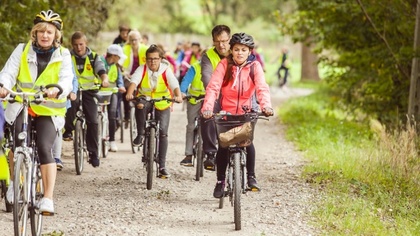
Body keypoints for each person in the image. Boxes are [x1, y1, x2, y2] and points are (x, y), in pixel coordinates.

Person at [1, 10, 73, 214]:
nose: (45, 35)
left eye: (49, 32)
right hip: (22, 107)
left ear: (56, 35)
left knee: (43, 147)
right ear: (35, 33)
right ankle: (16, 184)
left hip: (48, 111)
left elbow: (66, 79)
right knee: (16, 142)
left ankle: (48, 198)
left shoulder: (63, 54)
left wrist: (58, 89)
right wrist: (3, 86)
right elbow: (8, 72)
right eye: (41, 31)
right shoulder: (22, 50)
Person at [201, 32, 274, 198]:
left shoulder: (254, 67)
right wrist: (208, 107)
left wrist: (266, 106)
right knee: (224, 145)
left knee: (247, 142)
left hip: (246, 110)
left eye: (243, 49)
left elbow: (262, 87)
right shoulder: (224, 65)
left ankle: (251, 177)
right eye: (236, 49)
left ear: (249, 52)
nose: (240, 53)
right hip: (226, 111)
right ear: (231, 51)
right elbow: (213, 87)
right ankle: (220, 181)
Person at [126, 45, 182, 178]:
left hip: (162, 101)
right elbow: (134, 81)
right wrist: (129, 93)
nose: (152, 62)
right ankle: (140, 134)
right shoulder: (142, 68)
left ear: (161, 59)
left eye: (155, 59)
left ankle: (162, 165)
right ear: (146, 59)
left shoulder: (166, 69)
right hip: (144, 98)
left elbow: (174, 83)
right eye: (150, 59)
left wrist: (178, 95)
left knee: (163, 132)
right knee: (139, 106)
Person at [63, 31, 109, 167]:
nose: (78, 48)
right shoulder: (67, 57)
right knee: (70, 105)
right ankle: (68, 130)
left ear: (86, 43)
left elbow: (101, 70)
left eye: (81, 44)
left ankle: (93, 153)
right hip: (73, 91)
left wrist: (104, 79)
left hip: (89, 92)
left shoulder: (94, 57)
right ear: (72, 45)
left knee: (93, 121)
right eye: (75, 45)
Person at [198, 24, 232, 171]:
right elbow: (206, 76)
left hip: (234, 96)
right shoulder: (208, 56)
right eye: (217, 41)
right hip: (216, 94)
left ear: (229, 39)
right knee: (207, 115)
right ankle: (210, 153)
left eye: (224, 40)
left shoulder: (237, 52)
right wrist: (213, 94)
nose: (221, 45)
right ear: (213, 41)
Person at [100, 44, 127, 152]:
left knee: (112, 114)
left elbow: (119, 79)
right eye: (119, 57)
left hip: (112, 93)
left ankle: (112, 140)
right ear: (114, 56)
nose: (120, 59)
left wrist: (121, 86)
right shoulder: (99, 62)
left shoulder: (116, 66)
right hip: (98, 92)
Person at [179, 60, 205, 166]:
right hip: (194, 99)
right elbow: (186, 81)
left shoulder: (218, 65)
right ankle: (188, 155)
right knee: (190, 126)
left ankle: (211, 153)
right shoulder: (195, 67)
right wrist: (182, 92)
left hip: (210, 100)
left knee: (212, 125)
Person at [121, 30, 148, 128]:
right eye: (131, 40)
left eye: (135, 40)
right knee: (125, 90)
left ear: (140, 40)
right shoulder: (125, 49)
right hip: (128, 75)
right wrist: (126, 73)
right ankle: (127, 113)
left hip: (142, 75)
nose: (133, 42)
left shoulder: (145, 49)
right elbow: (121, 63)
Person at [53, 67, 78, 170]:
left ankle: (56, 157)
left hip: (60, 100)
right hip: (40, 99)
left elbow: (73, 79)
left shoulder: (64, 55)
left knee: (57, 126)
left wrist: (73, 92)